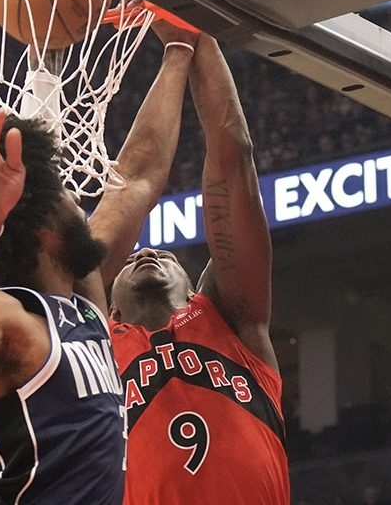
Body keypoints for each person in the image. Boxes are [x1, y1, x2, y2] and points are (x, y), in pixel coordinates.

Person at [0, 21, 198, 504]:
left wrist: (178, 48)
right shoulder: (4, 316)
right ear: (44, 228)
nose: (79, 200)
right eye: (66, 193)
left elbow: (138, 178)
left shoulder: (83, 300)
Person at [105, 35, 290, 503]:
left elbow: (234, 158)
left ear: (195, 289)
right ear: (110, 308)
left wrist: (194, 30)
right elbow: (128, 186)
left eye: (167, 256)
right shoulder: (96, 345)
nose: (147, 253)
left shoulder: (233, 320)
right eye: (129, 260)